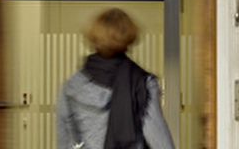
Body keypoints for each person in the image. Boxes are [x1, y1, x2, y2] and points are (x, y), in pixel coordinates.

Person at [55, 8, 176, 149]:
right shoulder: (143, 83)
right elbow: (159, 141)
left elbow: (65, 141)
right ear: (129, 37)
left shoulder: (72, 85)